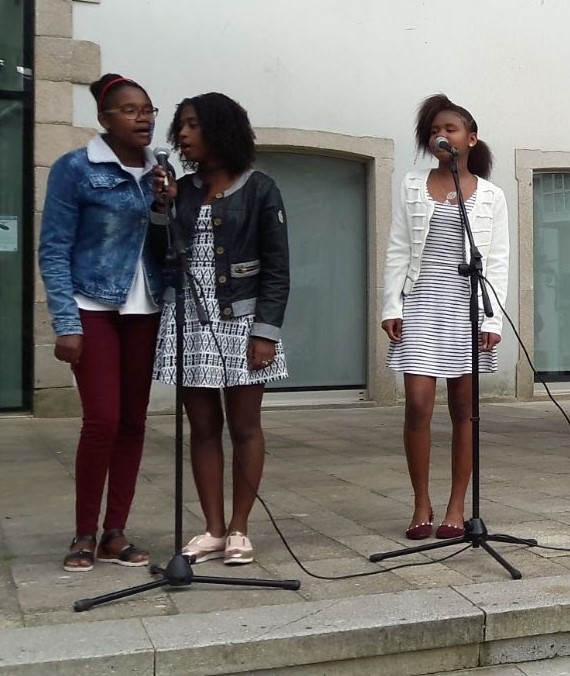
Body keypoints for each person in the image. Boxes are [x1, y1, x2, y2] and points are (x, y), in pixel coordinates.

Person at [152, 92, 289, 565]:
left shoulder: (261, 189)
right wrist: (162, 207)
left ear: (220, 130)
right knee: (203, 427)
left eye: (194, 125)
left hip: (244, 318)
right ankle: (211, 529)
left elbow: (277, 268)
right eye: (181, 125)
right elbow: (160, 253)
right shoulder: (182, 190)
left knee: (245, 426)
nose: (183, 134)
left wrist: (266, 331)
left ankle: (239, 528)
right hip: (189, 317)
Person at [39, 73, 164, 571]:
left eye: (148, 109)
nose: (143, 118)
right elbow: (54, 248)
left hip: (144, 309)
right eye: (131, 110)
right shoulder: (75, 168)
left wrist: (169, 204)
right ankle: (84, 533)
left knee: (133, 422)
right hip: (91, 306)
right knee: (103, 419)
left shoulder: (160, 172)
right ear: (104, 119)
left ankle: (115, 532)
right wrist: (65, 322)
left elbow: (166, 243)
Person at [381, 94, 509, 540]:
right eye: (436, 130)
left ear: (470, 139)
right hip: (420, 301)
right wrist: (391, 306)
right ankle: (421, 502)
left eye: (451, 129)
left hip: (467, 305)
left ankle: (457, 507)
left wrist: (491, 321)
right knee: (418, 404)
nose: (442, 135)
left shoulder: (491, 195)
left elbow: (497, 261)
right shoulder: (412, 185)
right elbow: (398, 247)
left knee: (464, 410)